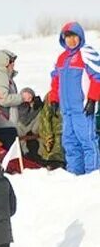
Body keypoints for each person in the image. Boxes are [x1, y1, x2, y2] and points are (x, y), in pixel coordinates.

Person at [49, 21, 100, 175]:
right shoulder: (61, 58)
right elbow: (56, 80)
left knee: (88, 142)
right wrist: (54, 99)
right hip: (67, 110)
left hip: (83, 108)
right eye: (68, 37)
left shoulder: (86, 53)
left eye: (74, 37)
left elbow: (97, 77)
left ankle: (92, 176)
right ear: (63, 39)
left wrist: (92, 99)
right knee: (70, 143)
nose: (71, 40)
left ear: (80, 37)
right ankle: (74, 176)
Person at [0, 50, 25, 153]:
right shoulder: (0, 76)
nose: (13, 64)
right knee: (11, 159)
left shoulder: (6, 77)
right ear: (4, 62)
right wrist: (22, 98)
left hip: (6, 124)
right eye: (11, 61)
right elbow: (3, 99)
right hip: (3, 125)